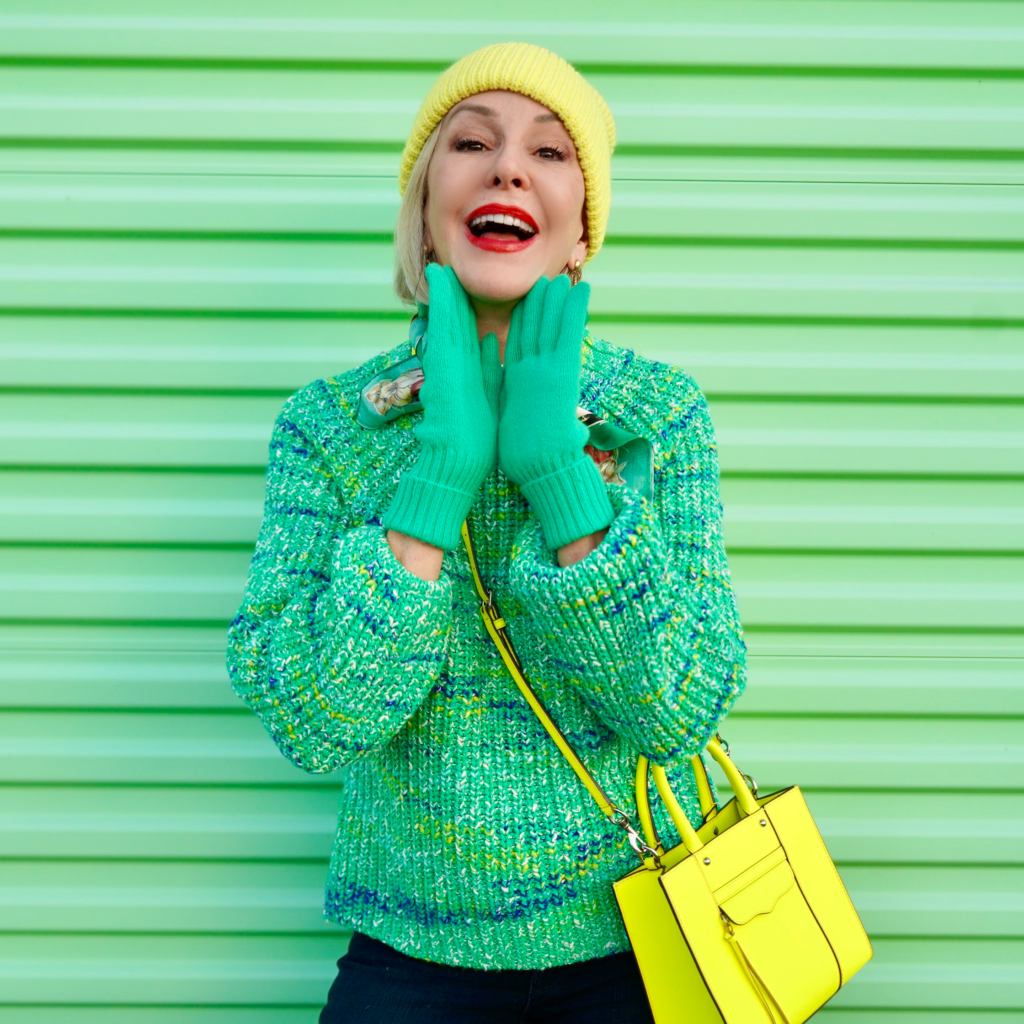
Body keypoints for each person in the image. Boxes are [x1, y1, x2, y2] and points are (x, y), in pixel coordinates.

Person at [226, 42, 747, 1024]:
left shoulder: (655, 415)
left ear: (581, 230)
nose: (507, 166)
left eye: (550, 153)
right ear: (426, 210)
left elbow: (680, 707)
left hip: (636, 947)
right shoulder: (331, 427)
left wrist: (560, 479)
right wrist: (437, 474)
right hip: (408, 963)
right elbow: (313, 719)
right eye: (471, 142)